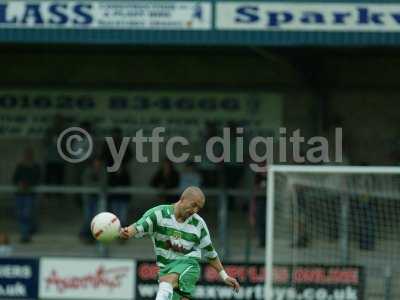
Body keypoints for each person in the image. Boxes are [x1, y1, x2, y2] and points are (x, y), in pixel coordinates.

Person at [120, 186, 240, 300]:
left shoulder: (198, 224)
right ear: (182, 199)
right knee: (167, 283)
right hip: (165, 269)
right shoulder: (158, 214)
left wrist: (224, 276)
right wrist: (122, 232)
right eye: (193, 205)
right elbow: (136, 228)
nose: (195, 211)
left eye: (199, 208)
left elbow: (210, 253)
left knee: (166, 282)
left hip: (189, 266)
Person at [13, 147, 41, 243]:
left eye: (29, 155)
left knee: (26, 214)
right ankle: (29, 230)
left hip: (29, 195)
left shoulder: (35, 167)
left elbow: (37, 178)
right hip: (20, 194)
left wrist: (27, 184)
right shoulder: (20, 166)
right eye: (26, 155)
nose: (27, 157)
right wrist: (20, 184)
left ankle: (25, 235)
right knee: (21, 215)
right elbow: (15, 179)